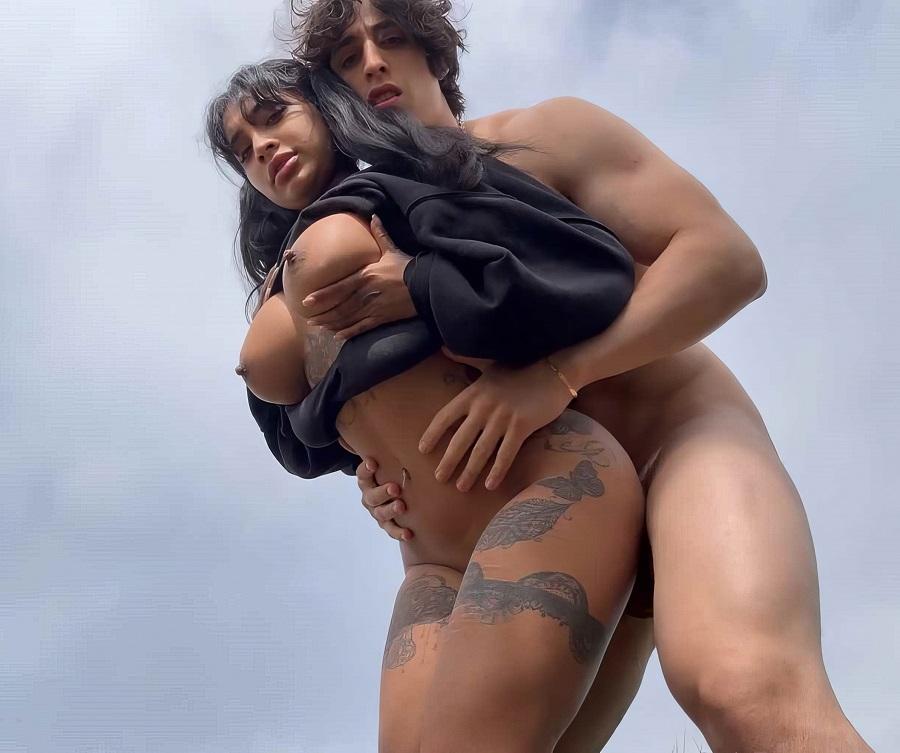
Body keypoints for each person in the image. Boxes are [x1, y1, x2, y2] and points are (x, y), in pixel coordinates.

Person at [291, 1, 876, 751]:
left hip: (675, 442)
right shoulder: (360, 230)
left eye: (391, 38)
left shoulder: (543, 137)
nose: (372, 62)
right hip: (552, 506)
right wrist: (379, 473)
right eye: (346, 57)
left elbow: (724, 259)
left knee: (743, 686)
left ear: (434, 51)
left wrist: (561, 375)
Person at [207, 59, 655, 752]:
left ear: (326, 107)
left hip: (545, 485)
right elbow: (304, 442)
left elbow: (588, 268)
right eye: (243, 149)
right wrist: (367, 465)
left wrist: (423, 284)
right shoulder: (275, 283)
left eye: (275, 118)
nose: (262, 148)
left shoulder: (414, 180)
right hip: (432, 563)